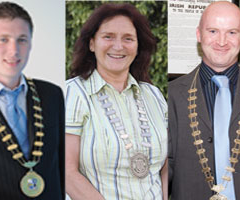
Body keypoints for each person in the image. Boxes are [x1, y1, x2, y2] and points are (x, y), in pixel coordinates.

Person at [65, 3, 168, 200]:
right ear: (92, 43)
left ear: (138, 46)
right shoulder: (73, 93)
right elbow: (67, 172)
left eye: (128, 38)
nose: (118, 46)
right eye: (108, 37)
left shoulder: (154, 96)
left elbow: (164, 168)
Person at [0, 2, 65, 200]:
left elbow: (61, 167)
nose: (14, 50)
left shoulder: (51, 95)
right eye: (3, 39)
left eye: (22, 40)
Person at [168, 1, 240, 200]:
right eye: (213, 31)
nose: (222, 41)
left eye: (232, 32)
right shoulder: (171, 95)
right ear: (198, 35)